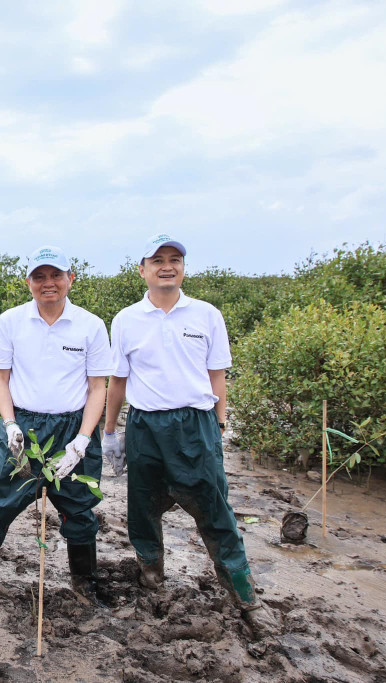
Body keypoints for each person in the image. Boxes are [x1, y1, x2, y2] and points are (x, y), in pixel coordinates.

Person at [102, 234, 278, 638]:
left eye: (175, 259)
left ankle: (244, 595)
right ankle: (151, 578)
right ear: (142, 269)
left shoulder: (206, 314)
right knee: (142, 509)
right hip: (145, 426)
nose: (167, 266)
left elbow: (218, 375)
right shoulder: (126, 318)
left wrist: (218, 425)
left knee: (215, 511)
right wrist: (111, 433)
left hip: (195, 424)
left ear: (184, 267)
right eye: (158, 259)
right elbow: (118, 380)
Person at [0, 246, 114, 603]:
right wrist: (10, 424)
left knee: (80, 508)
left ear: (71, 278)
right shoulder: (11, 321)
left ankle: (84, 583)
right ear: (28, 282)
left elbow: (97, 388)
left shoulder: (91, 325)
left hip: (72, 427)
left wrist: (82, 441)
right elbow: (0, 380)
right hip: (22, 429)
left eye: (56, 275)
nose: (48, 283)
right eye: (39, 276)